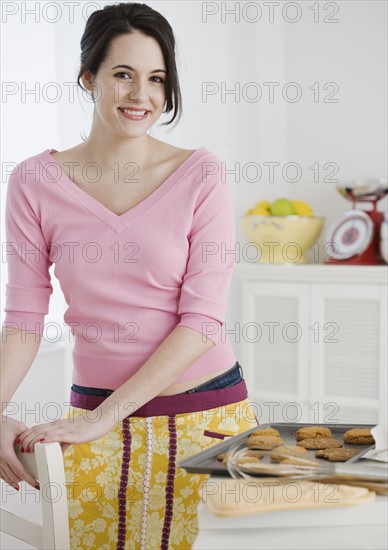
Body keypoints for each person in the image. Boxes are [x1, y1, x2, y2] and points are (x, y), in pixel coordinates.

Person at [0, 3, 259, 548]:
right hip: (91, 417)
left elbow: (202, 320)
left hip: (205, 418)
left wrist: (101, 420)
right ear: (88, 77)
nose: (141, 95)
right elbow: (24, 318)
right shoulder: (33, 182)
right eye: (123, 74)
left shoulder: (200, 174)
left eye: (157, 79)